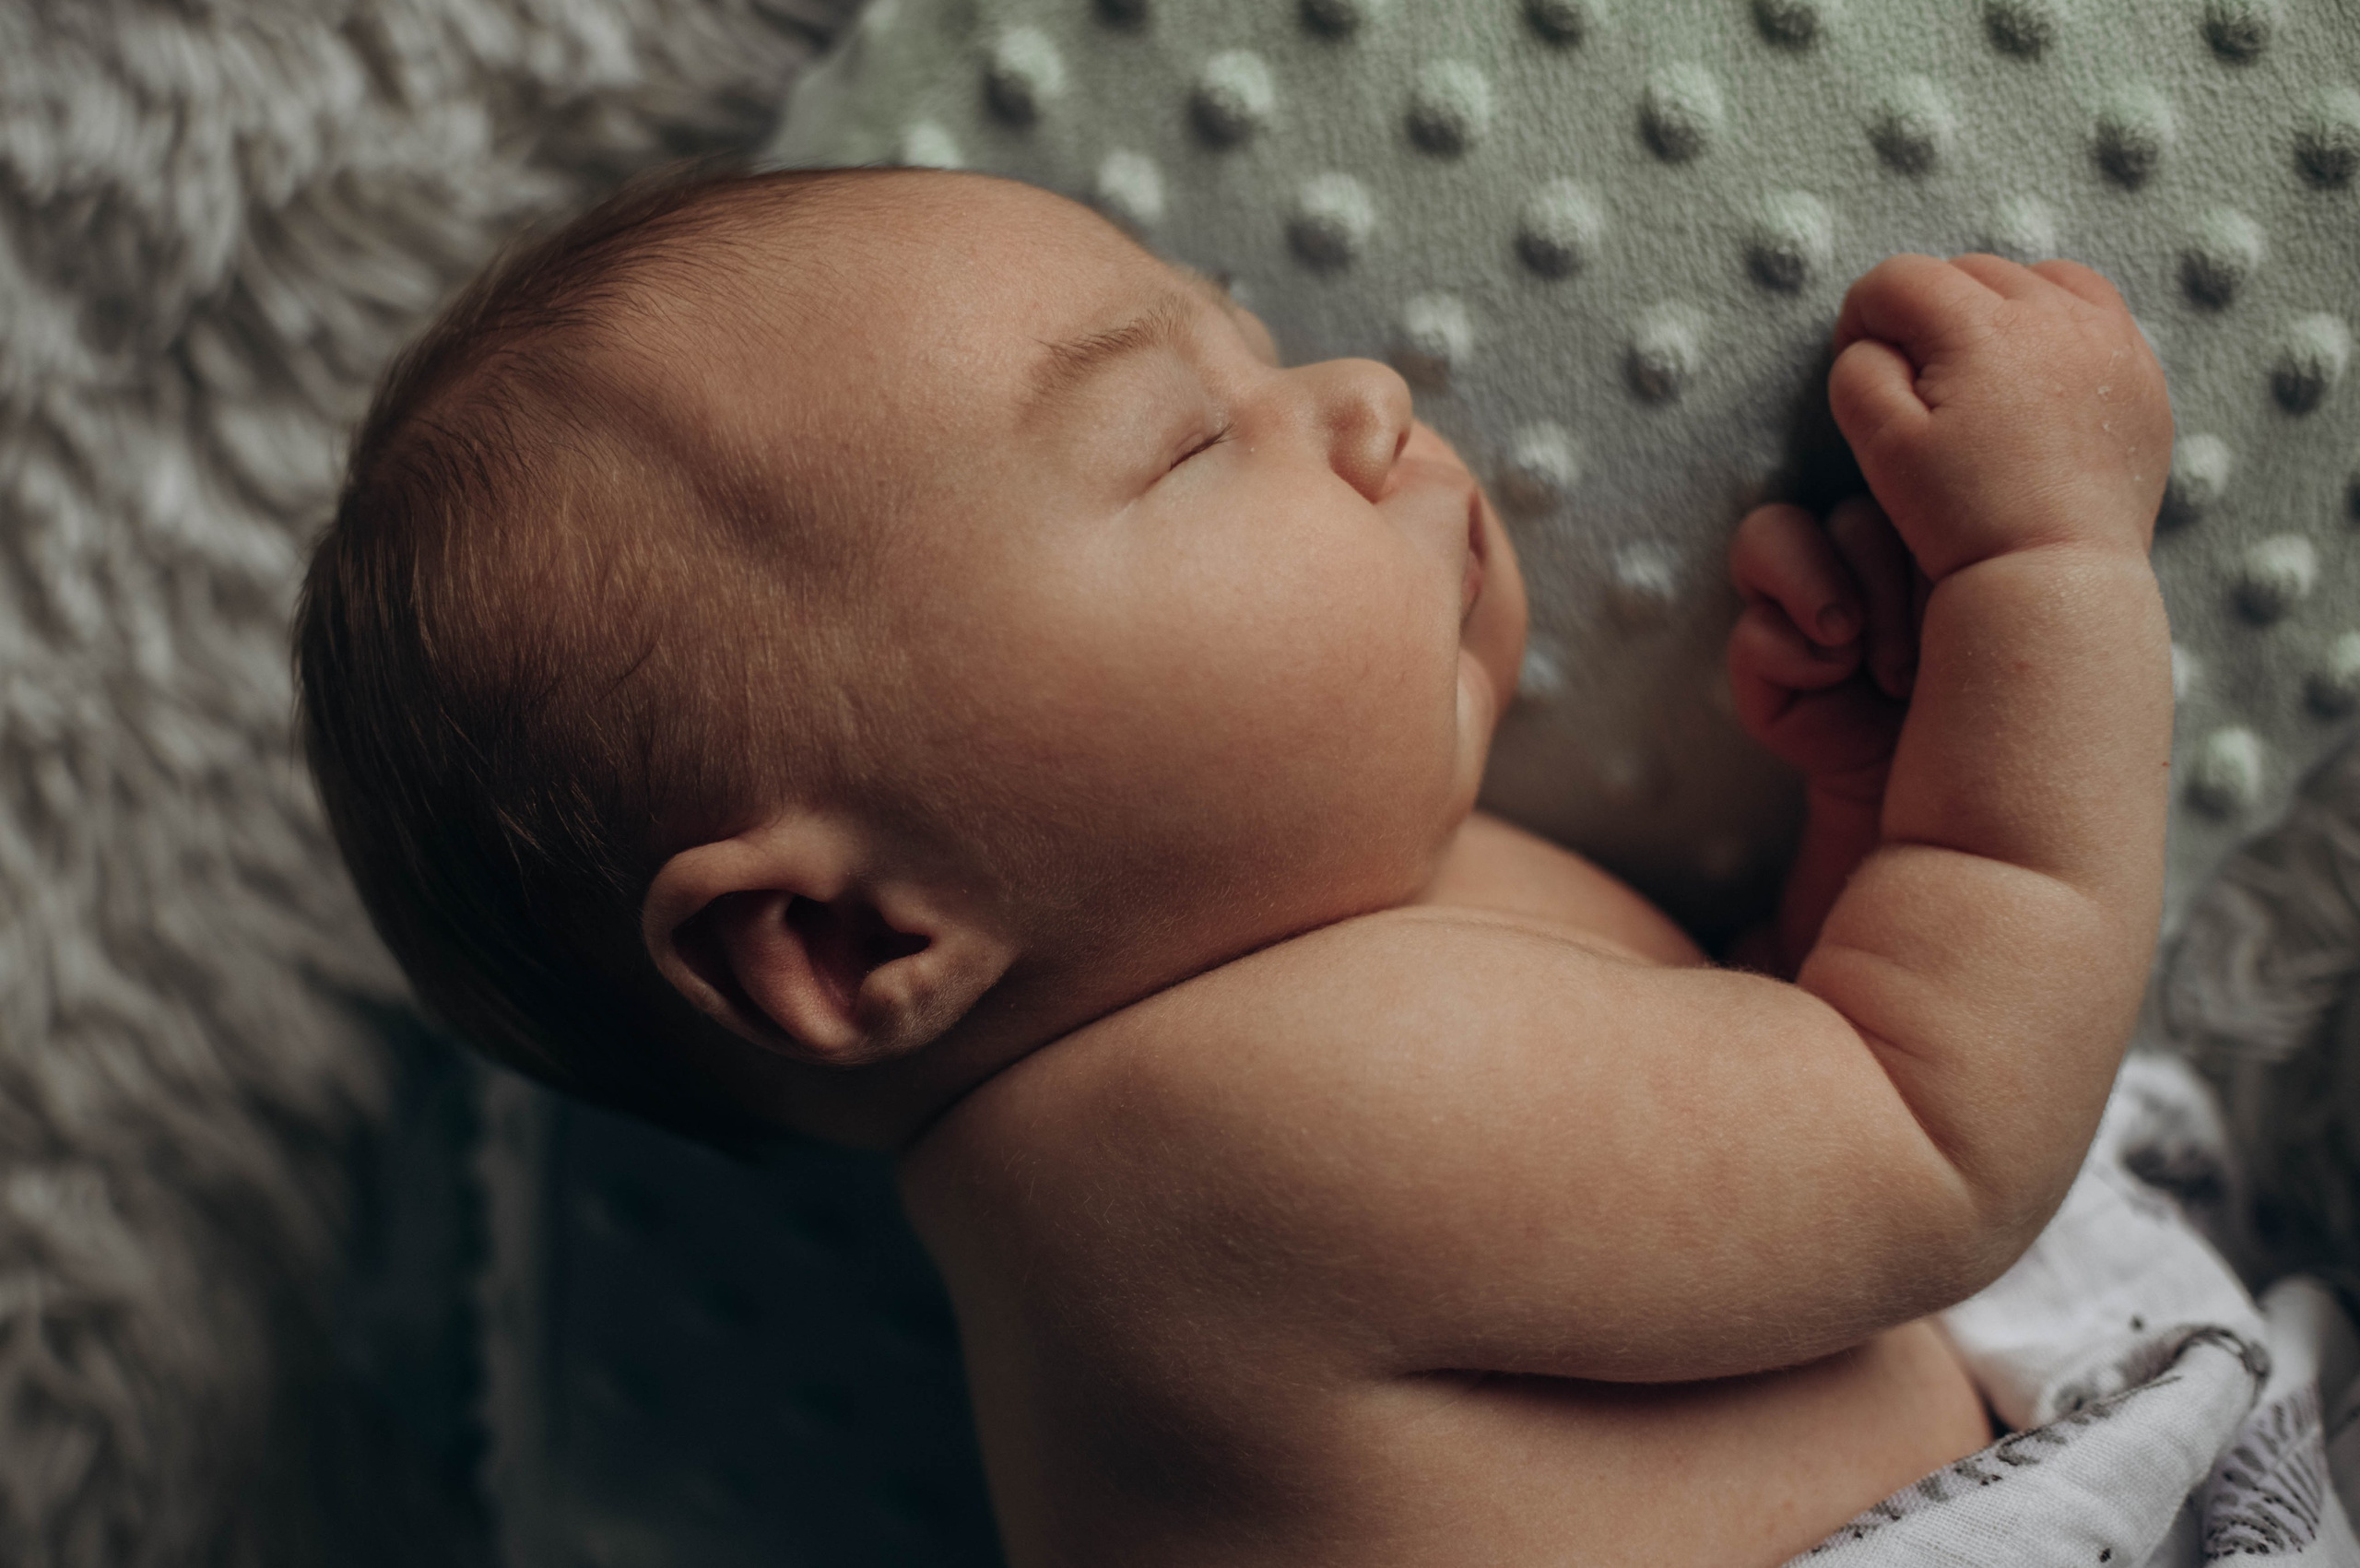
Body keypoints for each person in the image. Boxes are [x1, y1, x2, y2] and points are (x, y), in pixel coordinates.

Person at [295, 165, 2174, 1565]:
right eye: (1185, 440)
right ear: (856, 933)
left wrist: (1860, 823)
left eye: (1255, 351)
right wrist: (2043, 577)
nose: (1358, 396)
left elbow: (1732, 1178)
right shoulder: (1199, 1143)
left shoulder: (1277, 1013)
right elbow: (1926, 1133)